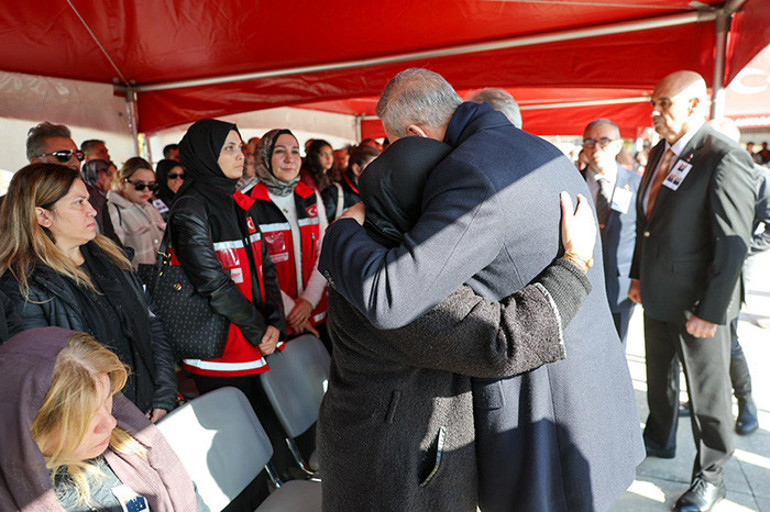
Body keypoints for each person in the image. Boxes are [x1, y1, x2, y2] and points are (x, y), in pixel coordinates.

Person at [319, 68, 643, 512]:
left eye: (397, 144)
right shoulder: (532, 148)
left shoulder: (471, 171)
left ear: (414, 134)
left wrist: (338, 235)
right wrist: (575, 262)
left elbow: (390, 295)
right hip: (579, 395)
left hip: (543, 405)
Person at [628, 71, 756, 511]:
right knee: (660, 377)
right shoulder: (659, 154)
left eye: (665, 103)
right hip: (658, 291)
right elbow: (647, 225)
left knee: (707, 394)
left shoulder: (723, 156)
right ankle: (658, 440)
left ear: (695, 106)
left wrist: (712, 310)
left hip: (700, 302)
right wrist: (637, 276)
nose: (656, 112)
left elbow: (732, 243)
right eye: (654, 102)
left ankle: (712, 475)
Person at [0, 163, 177, 420]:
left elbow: (152, 324)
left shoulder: (111, 257)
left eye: (88, 200)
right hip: (91, 424)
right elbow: (44, 378)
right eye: (79, 203)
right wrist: (102, 421)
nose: (92, 210)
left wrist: (164, 392)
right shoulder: (23, 286)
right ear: (43, 216)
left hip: (146, 409)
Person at [169, 119, 293, 481]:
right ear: (206, 154)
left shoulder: (239, 200)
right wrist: (260, 329)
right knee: (239, 454)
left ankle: (283, 487)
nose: (240, 155)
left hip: (255, 339)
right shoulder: (190, 207)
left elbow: (265, 266)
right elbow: (212, 283)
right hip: (221, 349)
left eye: (240, 148)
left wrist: (275, 322)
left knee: (268, 433)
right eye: (229, 148)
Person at [0, 327, 205, 511]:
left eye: (109, 399)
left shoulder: (133, 444)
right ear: (30, 429)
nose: (111, 422)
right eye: (86, 417)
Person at [248, 129, 330, 344]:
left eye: (295, 151)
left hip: (316, 313)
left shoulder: (310, 196)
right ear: (265, 157)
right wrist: (292, 310)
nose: (289, 159)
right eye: (279, 151)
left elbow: (325, 249)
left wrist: (309, 301)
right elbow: (253, 266)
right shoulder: (247, 202)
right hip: (274, 322)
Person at [579, 118, 641, 345]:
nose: (596, 148)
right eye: (589, 141)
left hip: (621, 286)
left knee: (616, 348)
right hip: (580, 283)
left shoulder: (636, 184)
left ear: (617, 145)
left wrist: (639, 278)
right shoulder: (571, 180)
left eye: (603, 141)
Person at [106, 157, 166, 266]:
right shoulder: (113, 210)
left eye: (151, 185)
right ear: (123, 182)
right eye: (140, 185)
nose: (146, 190)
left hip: (161, 275)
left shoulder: (149, 207)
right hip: (136, 278)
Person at [321, 144, 380, 222]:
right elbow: (323, 229)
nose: (379, 172)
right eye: (374, 168)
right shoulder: (334, 193)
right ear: (357, 169)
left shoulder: (376, 193)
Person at [80, 159, 121, 243]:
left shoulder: (104, 198)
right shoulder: (92, 200)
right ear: (97, 175)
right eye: (109, 174)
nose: (113, 179)